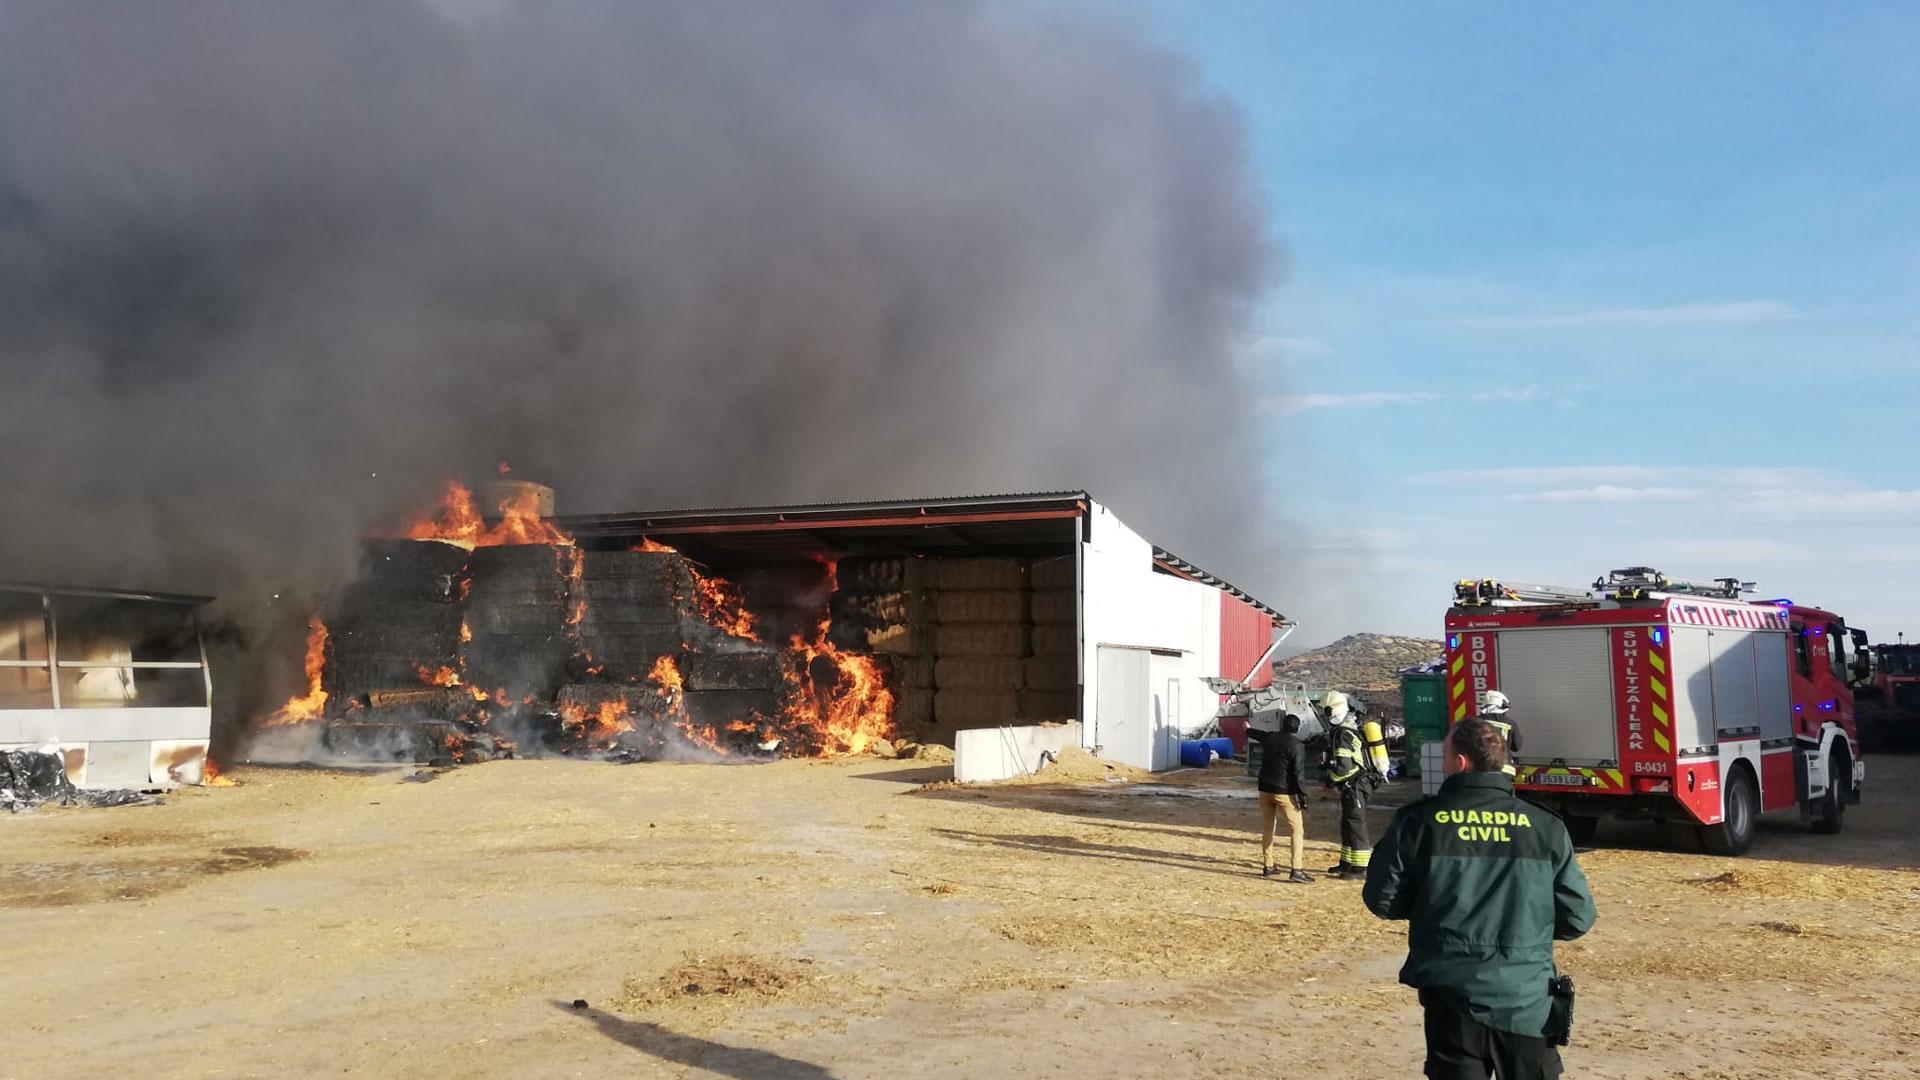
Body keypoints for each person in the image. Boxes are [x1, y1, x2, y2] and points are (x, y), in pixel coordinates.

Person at [1362, 718, 1597, 1080]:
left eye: (1445, 754)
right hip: (1527, 999)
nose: (1442, 763)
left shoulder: (1419, 822)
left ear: (1460, 763)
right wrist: (1527, 930)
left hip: (1451, 999)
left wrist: (1432, 907)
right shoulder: (1545, 827)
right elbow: (1578, 917)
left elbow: (1382, 900)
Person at [1318, 690, 1376, 877]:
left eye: (1325, 712)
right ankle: (1347, 863)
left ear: (1331, 712)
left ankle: (1361, 868)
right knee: (1347, 823)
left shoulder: (1343, 734)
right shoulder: (1343, 731)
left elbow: (1344, 767)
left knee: (1355, 824)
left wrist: (1329, 779)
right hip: (1352, 785)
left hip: (1356, 784)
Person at [1249, 712, 1311, 883]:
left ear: (1282, 725)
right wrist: (1303, 796)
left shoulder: (1271, 738)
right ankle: (1296, 869)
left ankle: (1268, 866)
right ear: (1297, 728)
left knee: (1268, 828)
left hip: (1264, 789)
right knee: (1296, 830)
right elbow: (1298, 774)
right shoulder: (1297, 745)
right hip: (1284, 791)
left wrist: (1247, 730)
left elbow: (1258, 734)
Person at [1477, 690, 1521, 778]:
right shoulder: (1510, 723)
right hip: (1505, 770)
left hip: (1481, 769)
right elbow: (1517, 747)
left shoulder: (1476, 722)